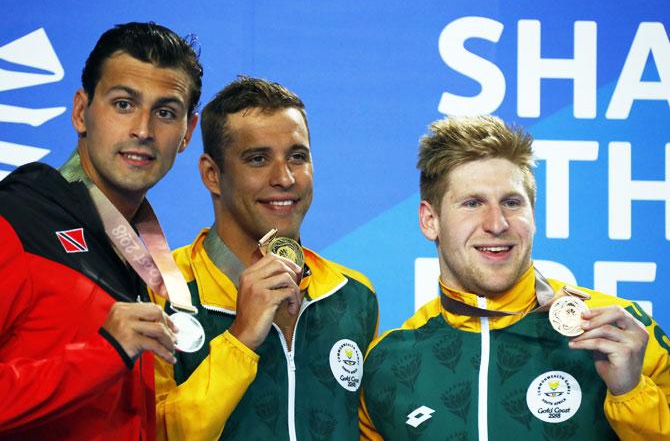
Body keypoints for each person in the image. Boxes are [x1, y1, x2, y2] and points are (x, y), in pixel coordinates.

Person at [359, 115, 670, 440]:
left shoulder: (621, 333)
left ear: (533, 216)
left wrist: (631, 395)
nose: (497, 223)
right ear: (429, 220)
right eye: (472, 203)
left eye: (511, 202)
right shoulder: (388, 364)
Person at [0, 22, 202, 440]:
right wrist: (104, 352)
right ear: (81, 111)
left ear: (186, 134)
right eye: (124, 104)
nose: (143, 131)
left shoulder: (136, 257)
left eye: (165, 112)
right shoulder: (16, 221)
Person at [151, 77, 379, 440]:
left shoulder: (353, 296)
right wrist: (240, 340)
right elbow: (154, 434)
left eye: (297, 157)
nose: (285, 178)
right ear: (212, 174)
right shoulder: (160, 290)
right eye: (258, 159)